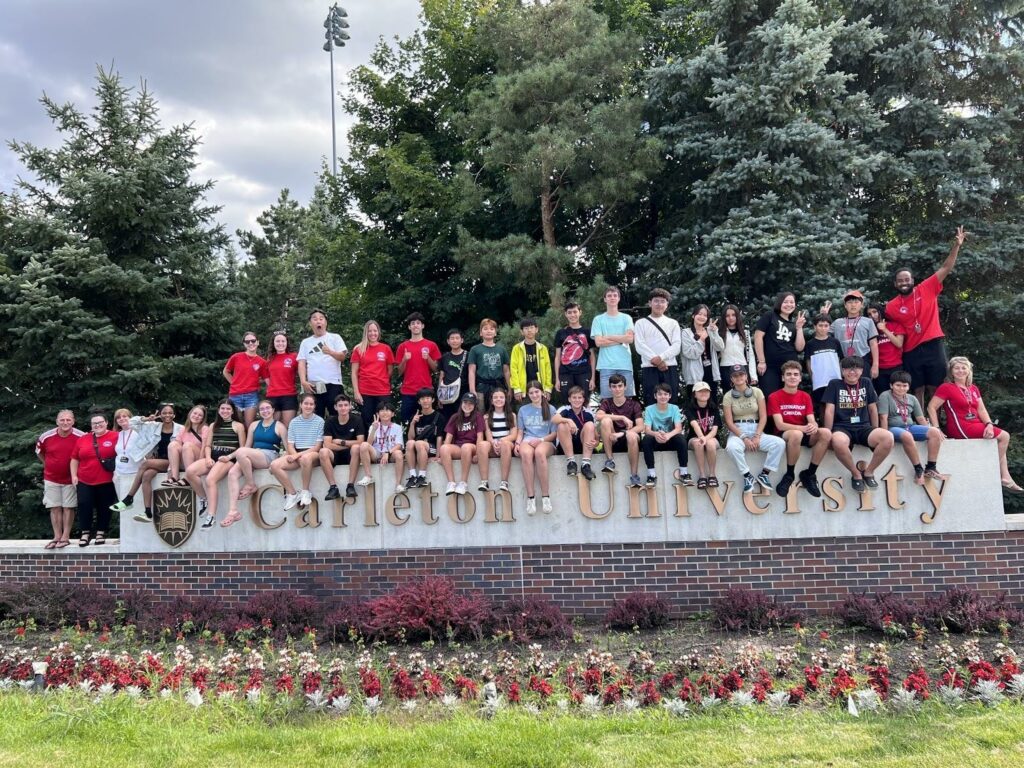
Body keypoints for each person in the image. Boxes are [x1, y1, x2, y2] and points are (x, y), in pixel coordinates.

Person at [885, 226, 966, 403]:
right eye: (900, 281)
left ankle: (937, 423)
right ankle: (921, 423)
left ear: (913, 281)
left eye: (907, 279)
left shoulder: (927, 288)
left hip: (933, 344)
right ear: (895, 284)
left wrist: (957, 245)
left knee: (936, 386)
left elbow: (946, 267)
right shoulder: (891, 306)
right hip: (911, 349)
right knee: (917, 388)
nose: (904, 283)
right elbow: (886, 326)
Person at [928, 356, 1022, 492]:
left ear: (969, 370)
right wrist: (936, 429)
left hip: (976, 423)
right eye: (956, 368)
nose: (960, 371)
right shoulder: (946, 387)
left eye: (963, 367)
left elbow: (981, 409)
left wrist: (989, 424)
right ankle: (993, 469)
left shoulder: (973, 388)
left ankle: (1006, 477)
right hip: (961, 426)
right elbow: (931, 407)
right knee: (1004, 436)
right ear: (951, 371)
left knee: (1000, 440)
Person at [822, 356, 894, 492]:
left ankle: (869, 472)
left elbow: (873, 409)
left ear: (862, 370)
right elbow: (829, 411)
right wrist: (828, 433)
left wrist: (875, 429)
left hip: (864, 427)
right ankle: (855, 474)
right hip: (842, 427)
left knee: (888, 437)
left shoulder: (866, 383)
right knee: (838, 441)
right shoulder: (835, 384)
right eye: (848, 368)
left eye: (856, 369)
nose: (852, 372)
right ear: (842, 371)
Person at [767, 361, 831, 498]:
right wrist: (802, 428)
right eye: (788, 374)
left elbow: (811, 418)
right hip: (785, 434)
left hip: (803, 432)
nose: (792, 377)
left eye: (796, 374)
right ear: (783, 378)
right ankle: (789, 474)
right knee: (796, 434)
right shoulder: (774, 396)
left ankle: (810, 474)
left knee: (825, 433)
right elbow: (779, 425)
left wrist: (813, 425)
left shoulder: (805, 396)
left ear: (800, 378)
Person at [110, 403, 183, 522]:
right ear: (160, 414)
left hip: (174, 462)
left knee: (145, 464)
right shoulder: (154, 426)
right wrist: (147, 419)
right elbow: (132, 422)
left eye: (170, 413)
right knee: (146, 475)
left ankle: (129, 498)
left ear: (174, 415)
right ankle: (148, 512)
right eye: (164, 413)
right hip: (159, 461)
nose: (167, 415)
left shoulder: (180, 429)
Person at [222, 400, 288, 526]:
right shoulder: (253, 425)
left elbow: (287, 448)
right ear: (259, 412)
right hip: (251, 454)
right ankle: (233, 511)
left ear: (273, 410)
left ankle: (251, 484)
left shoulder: (279, 426)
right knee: (232, 473)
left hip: (269, 455)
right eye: (262, 409)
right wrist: (234, 457)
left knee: (242, 453)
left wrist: (230, 457)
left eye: (268, 408)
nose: (265, 411)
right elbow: (247, 446)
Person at [723, 365, 785, 494]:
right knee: (732, 448)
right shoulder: (728, 396)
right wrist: (744, 438)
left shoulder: (757, 392)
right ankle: (747, 476)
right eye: (735, 376)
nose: (739, 377)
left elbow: (763, 416)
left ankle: (765, 474)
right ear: (731, 379)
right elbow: (729, 422)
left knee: (779, 443)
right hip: (738, 431)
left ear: (746, 376)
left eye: (741, 374)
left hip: (757, 429)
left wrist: (757, 436)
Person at [186, 400, 246, 529]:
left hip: (228, 458)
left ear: (232, 411)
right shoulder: (213, 425)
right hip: (213, 456)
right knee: (190, 472)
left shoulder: (238, 426)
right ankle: (203, 498)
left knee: (210, 480)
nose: (225, 411)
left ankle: (211, 516)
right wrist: (207, 458)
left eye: (228, 409)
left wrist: (229, 457)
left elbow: (242, 448)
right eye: (222, 408)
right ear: (219, 410)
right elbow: (207, 445)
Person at [878, 371, 946, 485]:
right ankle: (918, 469)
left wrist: (930, 431)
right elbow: (883, 418)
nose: (901, 388)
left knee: (934, 432)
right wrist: (885, 436)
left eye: (905, 386)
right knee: (907, 436)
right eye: (898, 385)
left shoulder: (912, 398)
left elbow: (920, 418)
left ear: (909, 386)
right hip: (893, 428)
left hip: (910, 426)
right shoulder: (885, 396)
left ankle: (931, 467)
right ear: (891, 385)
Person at [36, 409, 84, 549]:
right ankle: (57, 536)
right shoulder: (46, 436)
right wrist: (48, 465)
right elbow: (39, 453)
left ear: (73, 421)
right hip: (51, 477)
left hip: (72, 478)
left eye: (68, 420)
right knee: (54, 507)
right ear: (57, 421)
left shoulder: (81, 436)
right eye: (62, 420)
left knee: (68, 508)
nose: (65, 422)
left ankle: (65, 537)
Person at [269, 393, 326, 510]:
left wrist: (297, 455)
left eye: (311, 404)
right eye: (306, 403)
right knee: (274, 465)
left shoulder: (320, 421)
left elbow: (317, 447)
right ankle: (292, 494)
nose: (308, 406)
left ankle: (305, 491)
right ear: (301, 405)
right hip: (296, 453)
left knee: (305, 458)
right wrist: (294, 454)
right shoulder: (294, 422)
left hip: (312, 454)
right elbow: (290, 445)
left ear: (315, 406)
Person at [70, 411, 117, 546]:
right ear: (91, 425)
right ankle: (85, 533)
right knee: (84, 505)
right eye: (94, 423)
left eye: (100, 422)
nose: (97, 425)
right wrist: (74, 475)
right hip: (84, 479)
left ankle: (101, 532)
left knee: (105, 507)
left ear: (106, 423)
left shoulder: (116, 436)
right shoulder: (83, 439)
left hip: (107, 479)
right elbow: (74, 458)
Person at [514, 381, 557, 514]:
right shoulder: (523, 409)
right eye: (531, 392)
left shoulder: (550, 409)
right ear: (528, 394)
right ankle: (531, 497)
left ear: (542, 393)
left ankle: (545, 496)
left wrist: (540, 440)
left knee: (539, 453)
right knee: (526, 454)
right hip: (527, 440)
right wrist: (517, 443)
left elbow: (554, 433)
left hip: (545, 441)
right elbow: (520, 432)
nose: (534, 395)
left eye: (536, 392)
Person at [753, 291, 807, 397]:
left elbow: (799, 348)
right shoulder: (770, 316)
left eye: (792, 302)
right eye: (786, 302)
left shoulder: (793, 324)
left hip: (790, 366)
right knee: (769, 395)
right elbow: (758, 337)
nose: (789, 305)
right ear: (779, 303)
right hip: (770, 366)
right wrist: (761, 361)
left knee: (789, 396)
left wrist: (799, 328)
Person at [595, 373, 645, 486]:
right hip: (612, 439)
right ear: (609, 388)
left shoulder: (634, 404)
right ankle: (610, 461)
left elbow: (641, 426)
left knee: (631, 436)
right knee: (605, 421)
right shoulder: (606, 402)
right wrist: (622, 417)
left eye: (620, 386)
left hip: (629, 439)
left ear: (625, 387)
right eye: (614, 386)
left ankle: (634, 475)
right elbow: (598, 416)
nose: (617, 389)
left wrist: (623, 433)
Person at [298, 309, 348, 419]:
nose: (318, 321)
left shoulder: (335, 337)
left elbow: (342, 357)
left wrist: (330, 352)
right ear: (310, 324)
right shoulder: (305, 342)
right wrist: (303, 381)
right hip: (314, 385)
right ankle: (317, 437)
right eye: (314, 319)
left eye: (321, 319)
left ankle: (336, 437)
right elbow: (301, 362)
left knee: (336, 416)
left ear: (326, 322)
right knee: (315, 417)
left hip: (333, 383)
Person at [634, 288, 682, 405]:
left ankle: (672, 424)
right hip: (649, 367)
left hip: (669, 367)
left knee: (671, 401)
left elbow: (676, 346)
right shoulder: (641, 323)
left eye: (662, 301)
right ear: (650, 303)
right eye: (656, 301)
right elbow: (640, 345)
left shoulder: (673, 323)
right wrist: (656, 361)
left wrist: (661, 358)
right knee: (651, 400)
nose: (659, 304)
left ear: (667, 305)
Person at [641, 383, 692, 486]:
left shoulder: (674, 408)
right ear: (655, 396)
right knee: (646, 439)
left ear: (670, 396)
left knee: (680, 438)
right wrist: (656, 434)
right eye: (660, 394)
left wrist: (668, 435)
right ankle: (651, 475)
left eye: (665, 394)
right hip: (656, 439)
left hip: (670, 439)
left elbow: (678, 428)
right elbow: (647, 429)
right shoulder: (649, 409)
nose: (663, 396)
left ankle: (684, 472)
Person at [395, 312, 441, 424]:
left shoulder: (431, 345)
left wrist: (428, 358)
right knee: (408, 423)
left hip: (426, 391)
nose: (415, 325)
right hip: (408, 391)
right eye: (413, 323)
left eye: (418, 323)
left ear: (422, 326)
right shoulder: (403, 346)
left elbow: (436, 369)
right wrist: (404, 360)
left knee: (427, 425)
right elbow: (399, 372)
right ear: (409, 327)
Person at [319, 394, 366, 500]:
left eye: (346, 405)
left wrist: (342, 442)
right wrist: (349, 445)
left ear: (350, 406)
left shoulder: (357, 420)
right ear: (335, 407)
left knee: (356, 448)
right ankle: (333, 487)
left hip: (352, 455)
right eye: (340, 405)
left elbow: (360, 442)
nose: (343, 408)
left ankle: (350, 486)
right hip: (334, 455)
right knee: (323, 451)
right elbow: (327, 444)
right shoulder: (330, 421)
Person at [592, 285, 636, 398]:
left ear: (619, 298)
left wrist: (609, 337)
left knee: (627, 400)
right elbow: (599, 342)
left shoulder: (626, 318)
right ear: (605, 299)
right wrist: (621, 340)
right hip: (606, 365)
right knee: (607, 400)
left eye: (615, 295)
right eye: (609, 295)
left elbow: (630, 339)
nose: (612, 298)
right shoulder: (598, 319)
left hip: (625, 364)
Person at [440, 392, 489, 496]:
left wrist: (477, 454)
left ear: (475, 405)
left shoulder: (478, 416)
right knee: (444, 448)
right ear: (461, 403)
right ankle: (451, 483)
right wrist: (442, 456)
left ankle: (463, 483)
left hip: (473, 446)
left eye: (470, 403)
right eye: (465, 402)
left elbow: (480, 436)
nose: (467, 405)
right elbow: (448, 437)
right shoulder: (455, 417)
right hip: (459, 447)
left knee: (466, 447)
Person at [350, 319, 395, 425]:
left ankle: (384, 442)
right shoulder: (359, 349)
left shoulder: (386, 348)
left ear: (378, 332)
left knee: (384, 420)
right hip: (365, 391)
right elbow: (354, 373)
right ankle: (367, 442)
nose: (372, 333)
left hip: (382, 391)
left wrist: (380, 379)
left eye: (375, 331)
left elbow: (390, 370)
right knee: (367, 421)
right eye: (370, 331)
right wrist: (356, 392)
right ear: (366, 333)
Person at [355, 401, 406, 491]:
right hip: (376, 453)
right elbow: (368, 444)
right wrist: (374, 429)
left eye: (387, 410)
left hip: (391, 453)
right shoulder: (374, 426)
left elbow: (399, 445)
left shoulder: (397, 427)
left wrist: (388, 453)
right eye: (382, 410)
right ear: (377, 413)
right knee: (363, 445)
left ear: (393, 414)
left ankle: (398, 484)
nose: (385, 413)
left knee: (398, 453)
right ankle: (368, 476)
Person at [680, 303, 724, 403]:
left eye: (705, 315)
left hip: (711, 372)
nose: (702, 317)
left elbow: (720, 347)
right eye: (699, 314)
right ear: (693, 316)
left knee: (712, 403)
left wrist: (715, 333)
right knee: (695, 404)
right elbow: (689, 353)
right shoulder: (686, 333)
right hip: (694, 373)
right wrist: (702, 339)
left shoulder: (710, 331)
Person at [553, 301, 595, 403]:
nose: (572, 315)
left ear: (580, 312)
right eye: (570, 312)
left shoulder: (588, 332)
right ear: (566, 314)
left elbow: (592, 356)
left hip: (584, 372)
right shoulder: (561, 333)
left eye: (575, 312)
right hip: (566, 372)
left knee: (584, 401)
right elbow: (557, 357)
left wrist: (593, 378)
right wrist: (557, 379)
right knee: (567, 402)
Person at [224, 331, 268, 428]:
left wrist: (255, 381)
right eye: (247, 342)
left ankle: (248, 444)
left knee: (249, 425)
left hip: (251, 396)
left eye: (253, 340)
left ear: (258, 342)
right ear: (244, 344)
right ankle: (237, 443)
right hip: (235, 395)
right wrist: (234, 383)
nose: (250, 343)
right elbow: (226, 372)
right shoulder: (236, 357)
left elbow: (265, 378)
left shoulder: (262, 362)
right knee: (236, 425)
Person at [804, 314, 844, 420]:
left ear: (829, 327)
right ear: (814, 327)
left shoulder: (834, 342)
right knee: (822, 406)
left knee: (836, 405)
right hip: (819, 380)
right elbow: (808, 361)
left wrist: (842, 375)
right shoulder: (810, 344)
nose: (823, 328)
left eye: (826, 325)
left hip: (835, 379)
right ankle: (824, 429)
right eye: (820, 325)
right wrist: (812, 377)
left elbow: (840, 359)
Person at [553, 386, 598, 481]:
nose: (577, 400)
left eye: (579, 397)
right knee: (562, 425)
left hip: (583, 445)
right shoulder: (564, 409)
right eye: (574, 397)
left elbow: (596, 436)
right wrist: (568, 420)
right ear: (569, 399)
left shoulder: (588, 413)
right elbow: (554, 419)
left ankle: (586, 465)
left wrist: (596, 443)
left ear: (583, 399)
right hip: (565, 446)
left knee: (590, 425)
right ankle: (571, 462)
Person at [404, 388, 445, 489]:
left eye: (428, 398)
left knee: (419, 443)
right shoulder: (416, 416)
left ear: (433, 400)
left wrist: (438, 455)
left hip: (432, 447)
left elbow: (440, 437)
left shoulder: (439, 417)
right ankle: (413, 476)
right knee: (410, 443)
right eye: (422, 398)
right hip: (418, 448)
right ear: (419, 401)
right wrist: (413, 423)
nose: (425, 400)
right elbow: (410, 438)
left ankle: (422, 476)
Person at [161, 405, 208, 488]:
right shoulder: (184, 429)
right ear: (190, 414)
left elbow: (205, 447)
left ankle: (188, 478)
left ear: (202, 418)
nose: (196, 416)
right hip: (185, 459)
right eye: (195, 413)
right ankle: (175, 477)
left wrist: (199, 465)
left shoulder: (205, 429)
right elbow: (174, 448)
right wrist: (169, 468)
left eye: (200, 415)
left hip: (199, 459)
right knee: (173, 444)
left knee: (187, 445)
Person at [482, 387, 518, 492]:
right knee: (482, 445)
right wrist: (493, 443)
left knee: (506, 444)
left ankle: (504, 481)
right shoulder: (487, 417)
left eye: (501, 397)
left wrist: (500, 441)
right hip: (493, 445)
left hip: (507, 445)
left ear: (506, 399)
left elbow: (514, 435)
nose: (499, 399)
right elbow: (488, 436)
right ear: (492, 401)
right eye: (495, 397)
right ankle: (484, 481)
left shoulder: (512, 415)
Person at [685, 382, 721, 489]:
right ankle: (702, 476)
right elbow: (694, 424)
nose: (703, 393)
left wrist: (705, 438)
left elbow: (715, 430)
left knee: (710, 443)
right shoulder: (689, 408)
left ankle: (712, 475)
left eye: (706, 391)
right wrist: (701, 438)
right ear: (694, 394)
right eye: (700, 391)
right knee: (698, 443)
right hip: (695, 438)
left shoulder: (714, 408)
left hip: (711, 438)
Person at [510, 317, 553, 402]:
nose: (529, 330)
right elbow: (513, 369)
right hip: (523, 389)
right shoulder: (517, 348)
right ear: (522, 331)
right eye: (526, 328)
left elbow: (548, 369)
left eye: (531, 327)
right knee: (524, 412)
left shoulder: (542, 348)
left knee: (542, 413)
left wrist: (548, 388)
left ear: (536, 329)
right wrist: (517, 389)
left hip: (540, 389)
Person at [468, 318, 510, 401]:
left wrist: (510, 388)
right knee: (480, 412)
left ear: (495, 333)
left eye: (492, 329)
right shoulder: (475, 349)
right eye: (485, 329)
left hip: (499, 386)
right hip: (481, 387)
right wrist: (472, 390)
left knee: (498, 410)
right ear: (481, 332)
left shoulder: (502, 349)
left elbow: (506, 371)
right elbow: (471, 371)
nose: (489, 331)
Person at [111, 408, 144, 512]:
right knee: (124, 508)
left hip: (135, 473)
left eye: (124, 416)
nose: (122, 419)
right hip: (120, 474)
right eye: (118, 417)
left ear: (131, 417)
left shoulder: (138, 432)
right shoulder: (118, 434)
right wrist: (115, 472)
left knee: (137, 506)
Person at [866, 305, 904, 395]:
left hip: (896, 367)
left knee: (898, 395)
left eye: (874, 312)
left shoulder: (895, 325)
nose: (872, 315)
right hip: (879, 369)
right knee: (882, 396)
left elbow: (899, 344)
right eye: (869, 314)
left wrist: (885, 330)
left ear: (880, 311)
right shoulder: (869, 329)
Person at [718, 304, 758, 385]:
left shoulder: (745, 333)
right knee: (729, 396)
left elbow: (750, 354)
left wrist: (753, 375)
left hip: (742, 367)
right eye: (727, 316)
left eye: (733, 315)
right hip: (726, 368)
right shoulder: (719, 333)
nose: (731, 318)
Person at [266, 331, 299, 426]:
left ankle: (286, 442)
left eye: (283, 341)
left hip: (289, 396)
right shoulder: (269, 359)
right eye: (277, 341)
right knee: (273, 427)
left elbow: (302, 372)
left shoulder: (294, 357)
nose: (280, 343)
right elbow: (267, 377)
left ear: (287, 342)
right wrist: (275, 386)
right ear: (273, 343)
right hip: (272, 396)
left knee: (287, 427)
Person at [437, 328, 470, 425]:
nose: (454, 341)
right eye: (452, 338)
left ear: (462, 340)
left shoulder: (468, 355)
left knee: (463, 417)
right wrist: (439, 394)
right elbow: (442, 375)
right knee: (448, 419)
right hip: (447, 392)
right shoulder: (445, 357)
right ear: (448, 341)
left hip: (463, 391)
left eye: (457, 338)